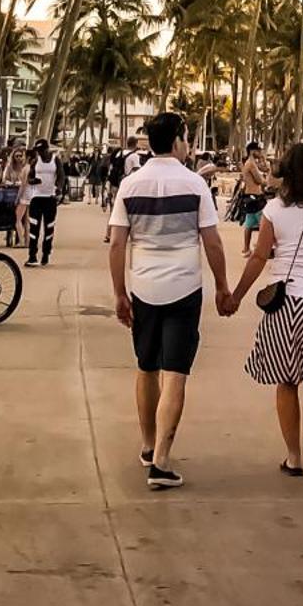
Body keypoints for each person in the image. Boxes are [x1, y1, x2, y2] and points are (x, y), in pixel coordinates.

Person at [108, 111, 229, 491]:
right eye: (186, 138)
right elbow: (211, 241)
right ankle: (161, 461)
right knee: (175, 371)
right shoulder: (194, 185)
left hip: (143, 287)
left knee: (146, 367)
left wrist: (119, 294)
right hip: (184, 288)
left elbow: (116, 243)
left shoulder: (130, 185)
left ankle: (147, 445)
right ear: (177, 140)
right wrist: (224, 287)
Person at [226, 140, 303, 479]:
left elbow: (258, 257)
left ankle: (294, 457)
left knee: (286, 381)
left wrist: (236, 295)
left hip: (284, 304)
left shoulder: (274, 211)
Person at [25, 137, 64, 268]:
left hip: (50, 198)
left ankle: (46, 253)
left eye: (42, 150)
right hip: (36, 198)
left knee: (49, 228)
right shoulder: (35, 161)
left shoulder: (55, 160)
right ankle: (32, 255)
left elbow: (61, 176)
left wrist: (59, 188)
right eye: (38, 151)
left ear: (47, 149)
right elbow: (29, 178)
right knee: (34, 228)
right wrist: (33, 181)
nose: (40, 153)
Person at [237, 142, 271, 258]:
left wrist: (263, 159)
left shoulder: (250, 162)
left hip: (249, 195)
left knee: (249, 223)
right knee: (264, 224)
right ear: (253, 151)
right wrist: (267, 182)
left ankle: (246, 249)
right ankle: (262, 247)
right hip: (255, 196)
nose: (260, 153)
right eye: (259, 151)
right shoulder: (251, 164)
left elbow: (265, 168)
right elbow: (259, 180)